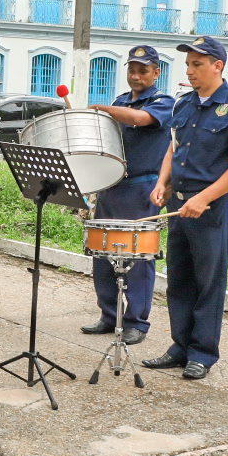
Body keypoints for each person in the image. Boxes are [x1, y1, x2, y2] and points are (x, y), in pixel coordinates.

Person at [141, 37, 228, 380]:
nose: (190, 71)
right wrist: (162, 182)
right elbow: (172, 149)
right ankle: (180, 346)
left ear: (217, 66)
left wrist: (205, 197)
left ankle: (202, 353)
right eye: (188, 65)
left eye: (197, 64)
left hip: (211, 208)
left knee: (209, 281)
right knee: (179, 279)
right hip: (179, 205)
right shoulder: (183, 104)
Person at [80, 45, 175, 346]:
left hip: (142, 187)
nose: (135, 76)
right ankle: (110, 315)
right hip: (111, 185)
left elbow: (141, 119)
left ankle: (136, 322)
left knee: (137, 257)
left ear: (156, 72)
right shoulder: (120, 101)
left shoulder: (163, 102)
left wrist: (103, 109)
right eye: (132, 70)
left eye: (143, 70)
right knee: (103, 253)